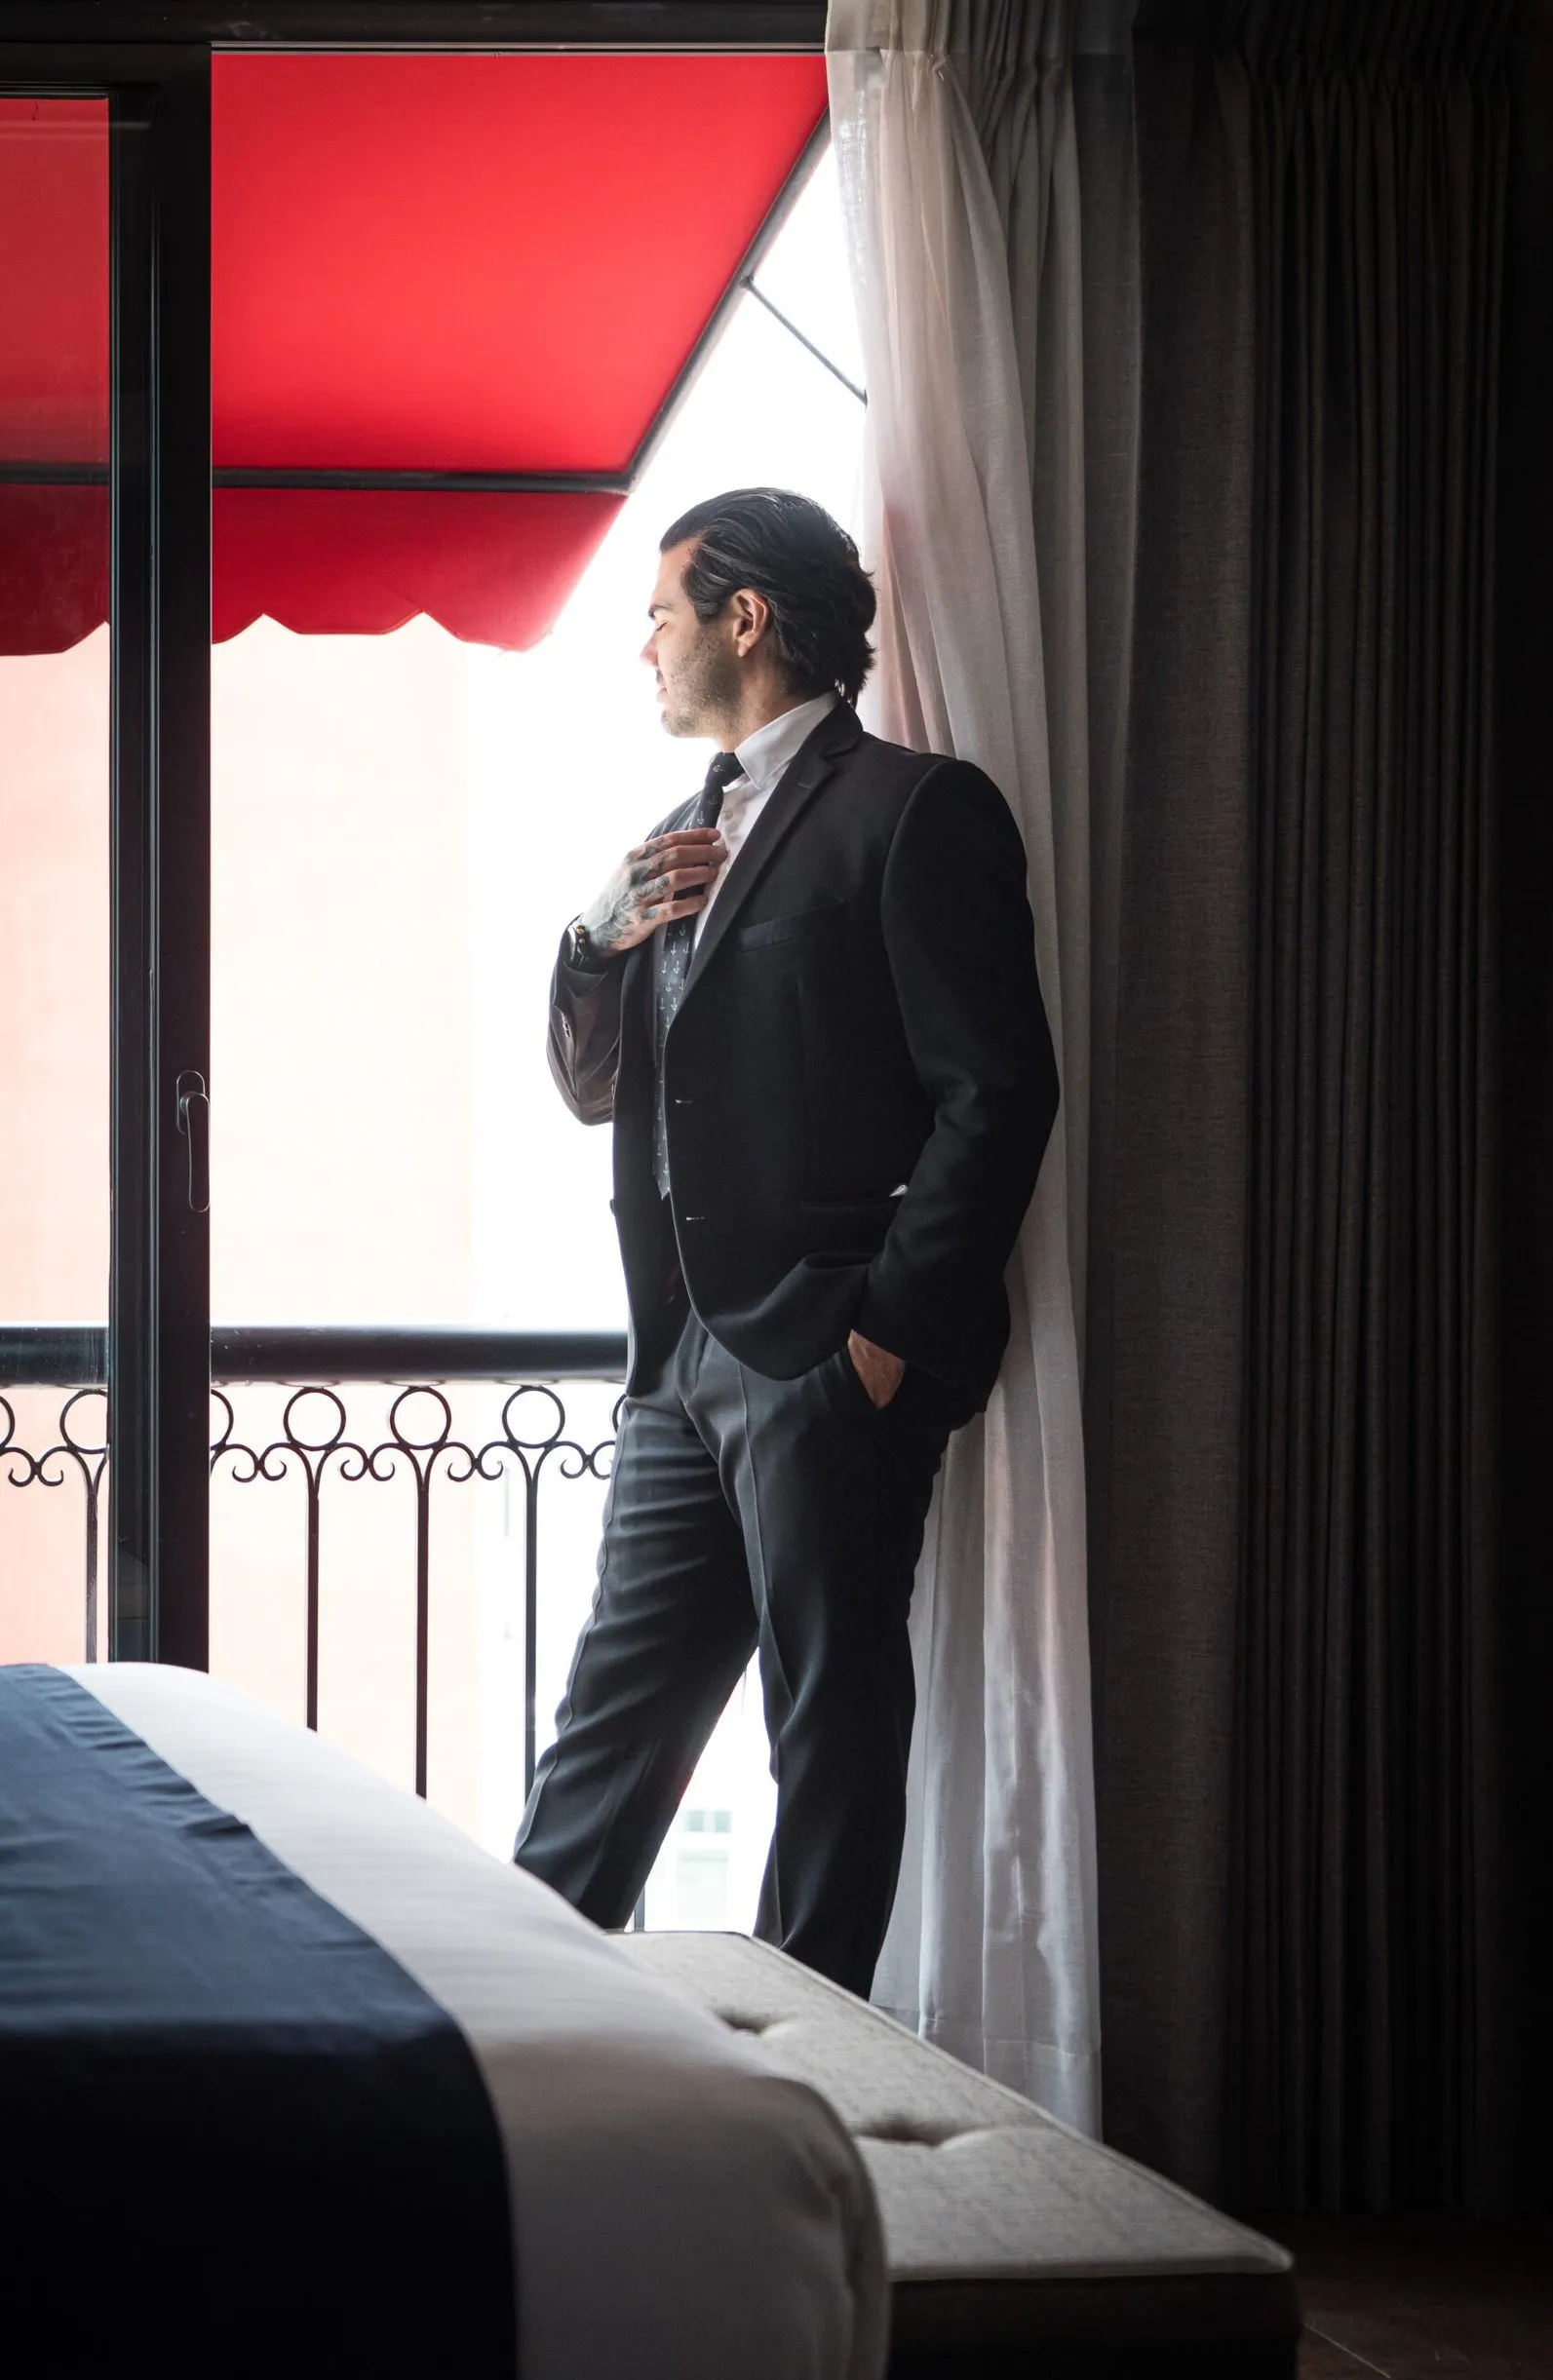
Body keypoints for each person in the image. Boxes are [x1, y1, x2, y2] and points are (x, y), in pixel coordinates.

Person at [513, 487, 1058, 1996]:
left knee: (828, 1735)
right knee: (608, 1729)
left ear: (743, 620)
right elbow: (596, 1088)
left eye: (660, 615)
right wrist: (592, 935)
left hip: (825, 1359)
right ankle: (506, 2033)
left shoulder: (917, 809)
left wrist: (883, 1337)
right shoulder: (669, 842)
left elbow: (998, 1092)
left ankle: (812, 2067)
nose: (644, 647)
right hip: (679, 1365)